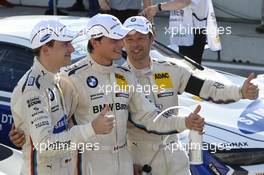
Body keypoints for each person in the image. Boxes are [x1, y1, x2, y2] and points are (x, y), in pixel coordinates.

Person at [10, 14, 204, 175]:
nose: (122, 44)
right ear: (95, 42)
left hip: (124, 164)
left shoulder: (125, 75)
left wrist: (184, 122)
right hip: (89, 165)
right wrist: (23, 130)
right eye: (114, 39)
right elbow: (50, 132)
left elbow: (149, 117)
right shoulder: (69, 78)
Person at [122, 16, 259, 175]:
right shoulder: (119, 79)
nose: (135, 44)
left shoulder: (169, 69)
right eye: (129, 39)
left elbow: (207, 87)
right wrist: (125, 163)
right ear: (123, 42)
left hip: (175, 156)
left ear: (152, 38)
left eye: (140, 38)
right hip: (139, 161)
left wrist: (240, 91)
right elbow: (125, 127)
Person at [10, 19, 114, 175]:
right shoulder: (33, 91)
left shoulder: (57, 78)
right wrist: (92, 129)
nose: (72, 49)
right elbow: (46, 145)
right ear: (45, 50)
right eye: (65, 44)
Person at [141, 0, 221, 64]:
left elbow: (184, 2)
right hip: (187, 30)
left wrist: (157, 8)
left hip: (192, 32)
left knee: (188, 70)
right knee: (185, 68)